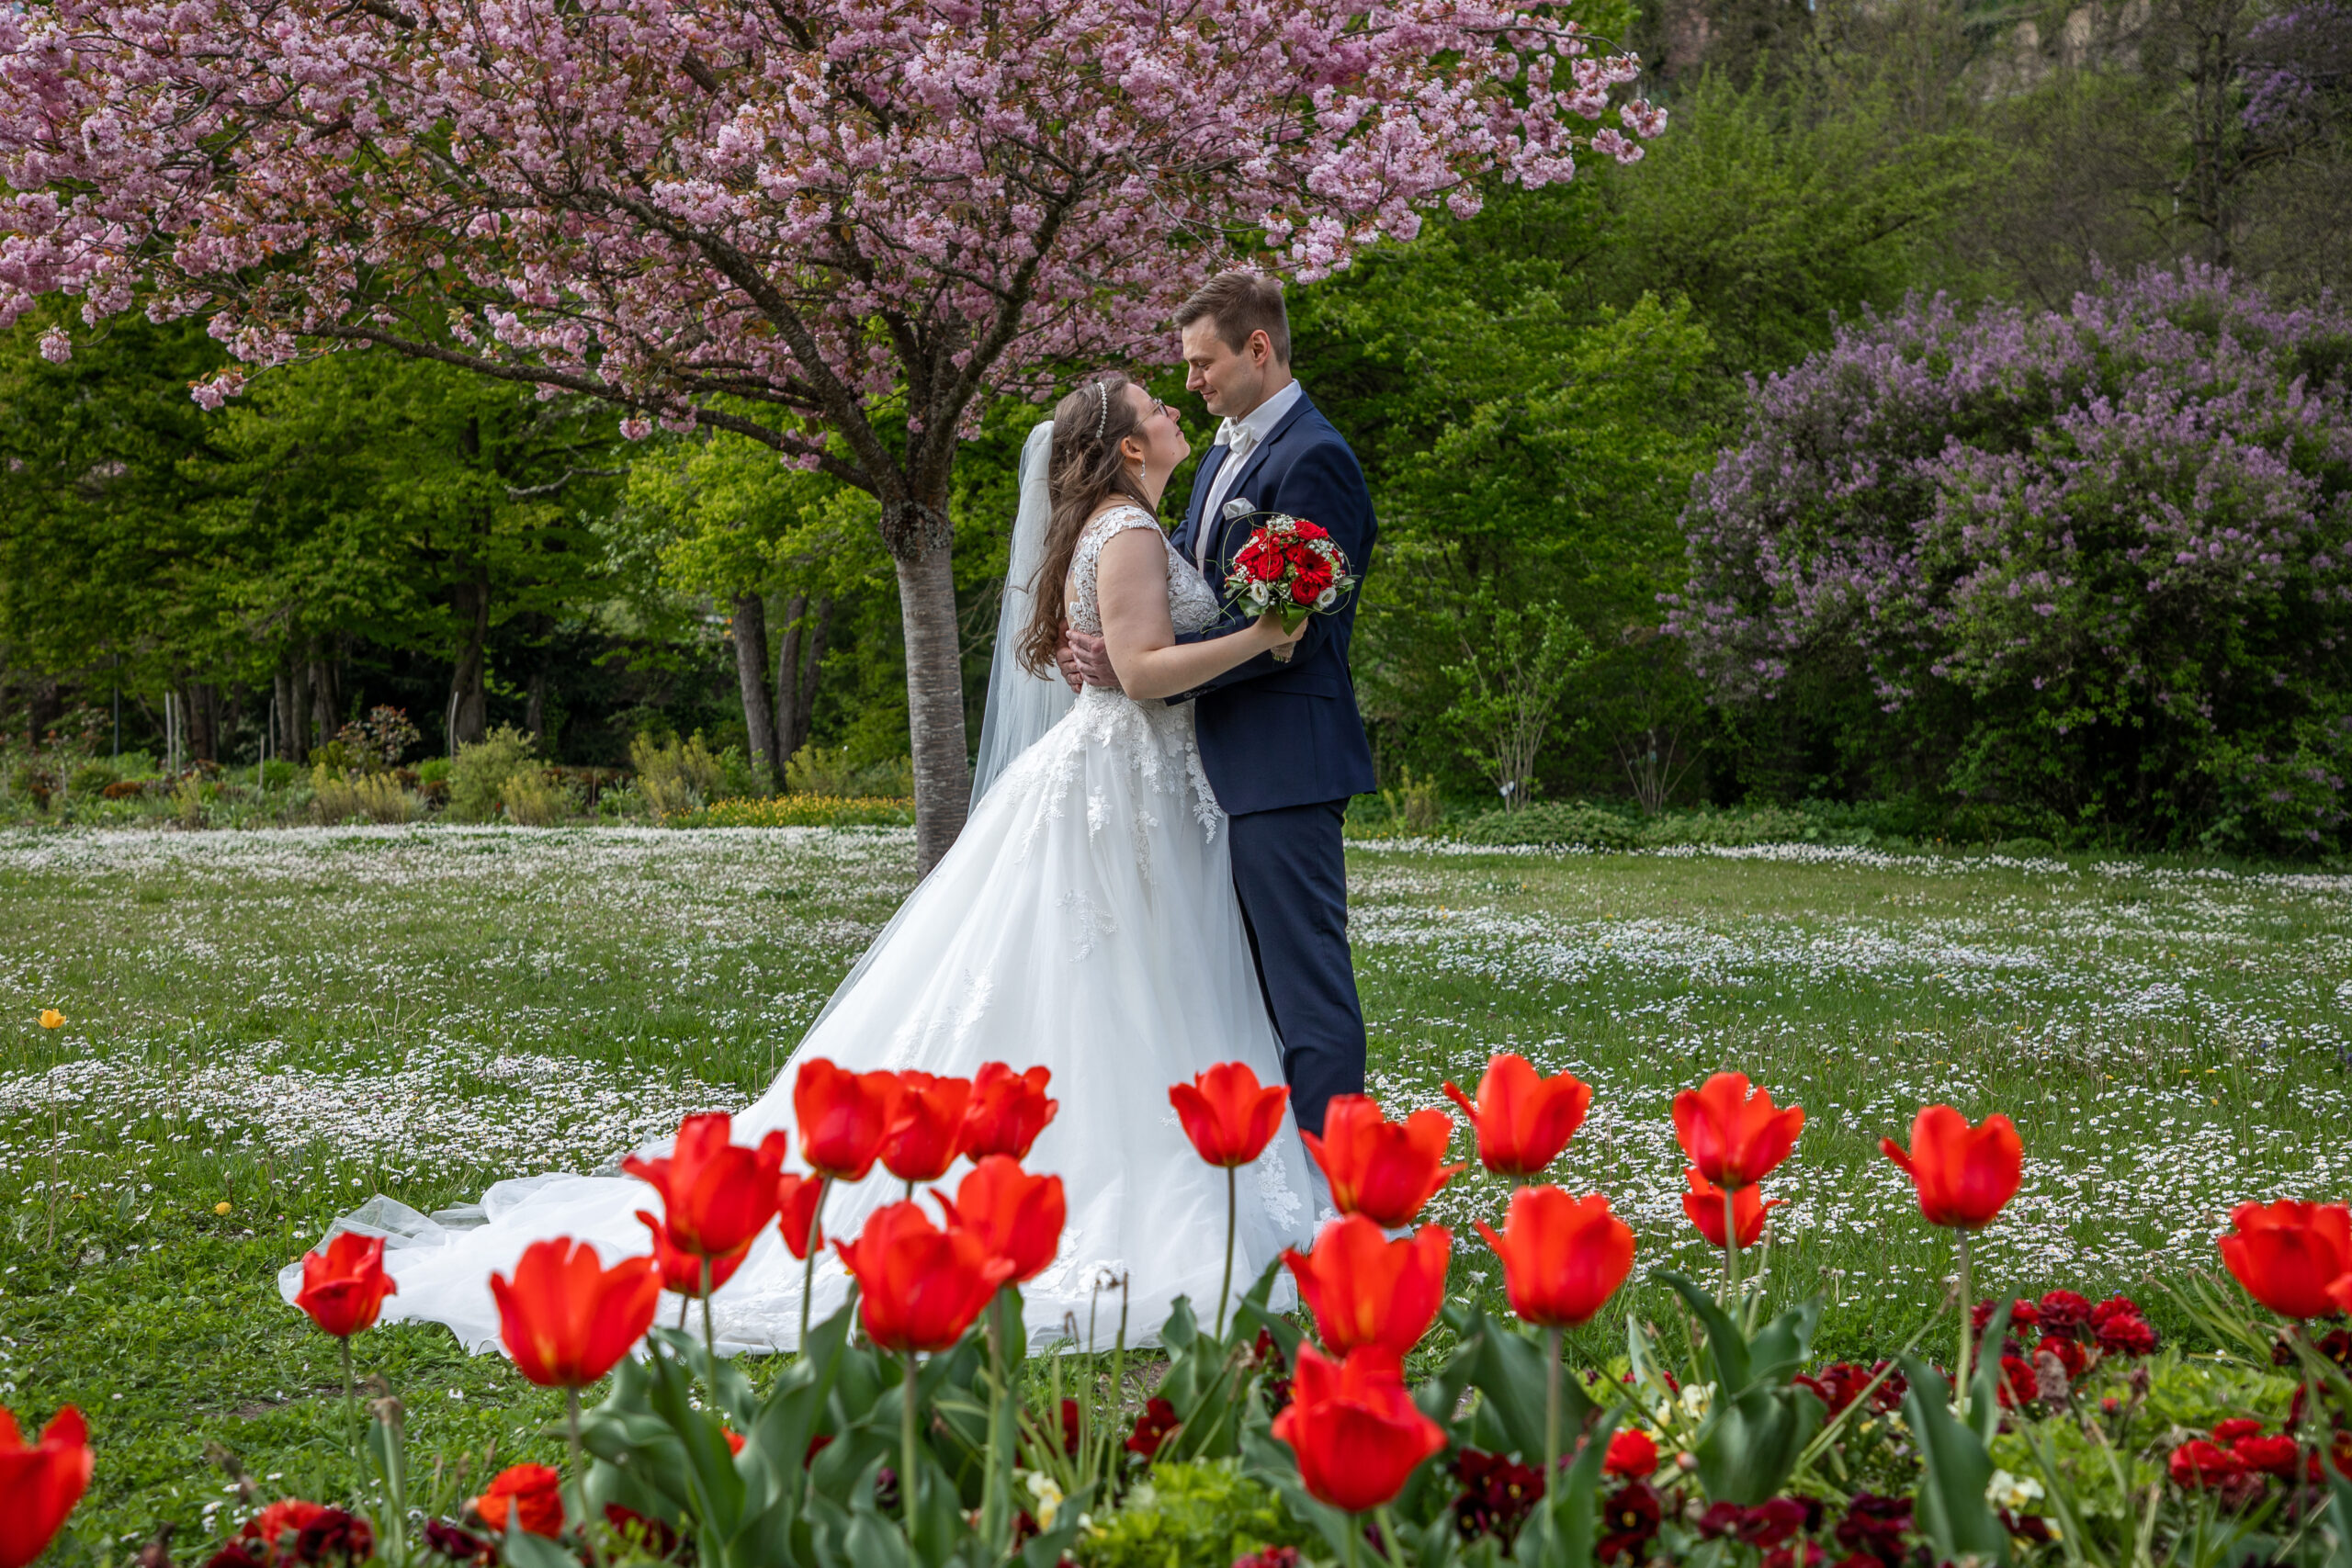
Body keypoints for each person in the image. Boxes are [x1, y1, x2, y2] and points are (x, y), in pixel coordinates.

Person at [283, 370, 1321, 1354]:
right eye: (1154, 402)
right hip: (1123, 784)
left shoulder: (1111, 525)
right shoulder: (1131, 527)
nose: (1173, 403)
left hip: (1117, 780)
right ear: (1130, 443)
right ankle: (1117, 1184)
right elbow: (1141, 672)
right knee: (1123, 985)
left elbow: (1101, 652)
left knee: (1112, 983)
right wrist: (1264, 635)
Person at [1059, 271, 1377, 1140]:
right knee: (1239, 992)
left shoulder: (1315, 458)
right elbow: (1179, 594)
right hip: (1208, 767)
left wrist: (1146, 669)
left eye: (1202, 362)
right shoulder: (1220, 457)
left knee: (1304, 989)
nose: (1191, 381)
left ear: (1258, 349)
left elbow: (1298, 627)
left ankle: (1339, 1188)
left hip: (1282, 763)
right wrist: (1111, 641)